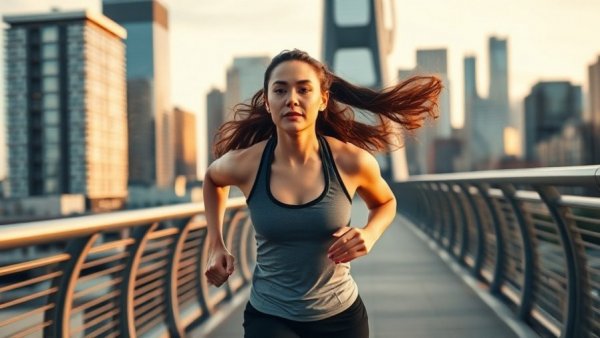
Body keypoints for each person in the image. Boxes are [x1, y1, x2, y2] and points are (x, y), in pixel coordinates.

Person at [204, 49, 442, 338]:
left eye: (304, 89)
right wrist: (217, 244)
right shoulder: (248, 164)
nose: (291, 99)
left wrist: (370, 233)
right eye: (280, 90)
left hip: (340, 317)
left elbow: (386, 202)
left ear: (323, 100)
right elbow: (213, 180)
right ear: (267, 102)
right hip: (269, 315)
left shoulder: (350, 161)